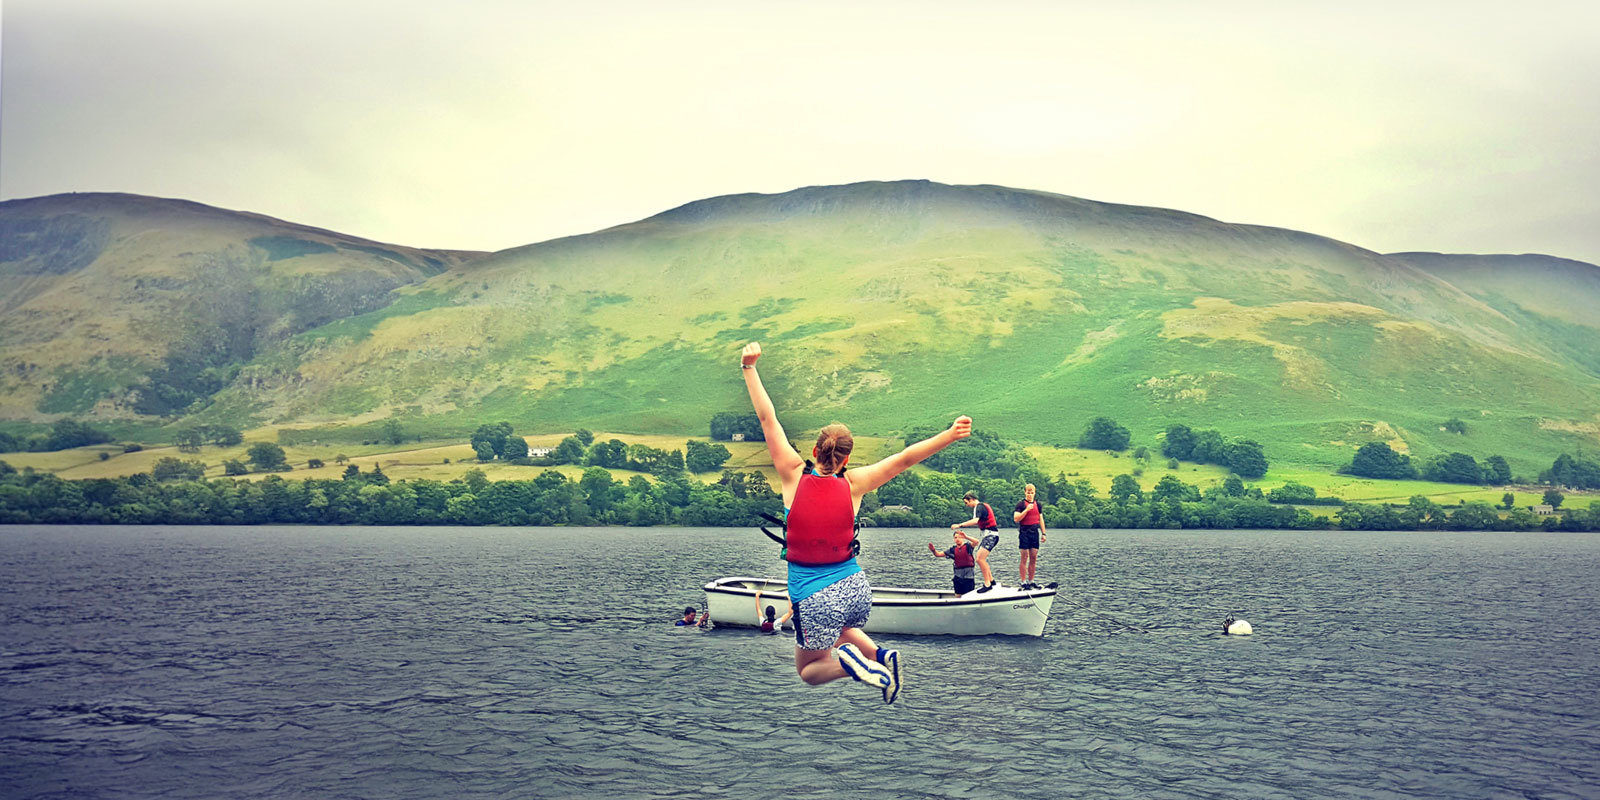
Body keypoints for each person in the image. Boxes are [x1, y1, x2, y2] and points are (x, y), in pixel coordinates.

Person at [742, 341, 970, 704]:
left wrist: (749, 369)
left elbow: (768, 419)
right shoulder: (855, 484)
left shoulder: (791, 474)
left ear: (815, 451)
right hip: (856, 588)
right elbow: (904, 459)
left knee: (809, 671)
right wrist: (949, 434)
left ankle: (850, 667)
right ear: (847, 458)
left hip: (813, 596)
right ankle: (879, 657)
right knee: (842, 626)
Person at [951, 491, 1001, 592]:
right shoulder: (981, 507)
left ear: (971, 499)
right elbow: (979, 522)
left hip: (991, 535)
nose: (967, 505)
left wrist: (959, 525)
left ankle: (987, 584)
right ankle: (991, 581)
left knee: (979, 558)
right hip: (990, 536)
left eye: (966, 502)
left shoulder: (979, 506)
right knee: (981, 558)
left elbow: (975, 521)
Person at [1013, 483, 1047, 589]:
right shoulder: (1021, 504)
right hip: (1024, 532)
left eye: (1032, 493)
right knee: (1024, 557)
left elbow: (1040, 519)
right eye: (1028, 492)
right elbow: (1016, 518)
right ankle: (1023, 582)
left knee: (1033, 557)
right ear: (1025, 492)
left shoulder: (1038, 505)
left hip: (1034, 532)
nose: (1030, 494)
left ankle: (1031, 581)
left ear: (1034, 493)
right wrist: (1026, 510)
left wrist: (1044, 533)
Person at [927, 531, 979, 595]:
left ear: (963, 538)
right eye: (955, 537)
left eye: (959, 537)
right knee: (958, 595)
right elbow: (938, 554)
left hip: (968, 577)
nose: (957, 539)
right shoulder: (952, 550)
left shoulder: (968, 547)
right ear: (954, 539)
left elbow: (976, 542)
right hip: (958, 577)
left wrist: (966, 536)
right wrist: (933, 550)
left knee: (968, 595)